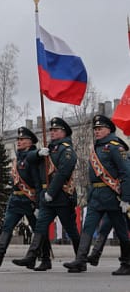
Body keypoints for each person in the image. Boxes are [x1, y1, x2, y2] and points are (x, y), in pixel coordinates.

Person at [63, 115, 130, 275]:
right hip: (95, 195)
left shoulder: (115, 147)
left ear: (109, 130)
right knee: (88, 227)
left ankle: (127, 263)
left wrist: (126, 199)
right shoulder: (96, 148)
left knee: (121, 230)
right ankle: (80, 260)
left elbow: (126, 173)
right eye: (95, 129)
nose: (97, 131)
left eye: (100, 129)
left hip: (112, 196)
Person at [12, 117, 80, 269]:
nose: (52, 133)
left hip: (62, 196)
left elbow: (62, 174)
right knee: (40, 227)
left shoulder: (67, 151)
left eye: (56, 130)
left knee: (71, 230)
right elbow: (28, 159)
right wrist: (38, 154)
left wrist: (50, 192)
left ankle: (80, 259)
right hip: (46, 198)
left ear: (64, 132)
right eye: (51, 130)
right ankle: (32, 257)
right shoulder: (48, 150)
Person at [0, 127, 52, 270]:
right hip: (16, 200)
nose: (19, 142)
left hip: (29, 200)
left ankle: (45, 259)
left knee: (38, 230)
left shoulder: (33, 158)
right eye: (18, 139)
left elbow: (38, 183)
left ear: (30, 142)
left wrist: (38, 204)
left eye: (22, 139)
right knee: (7, 227)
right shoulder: (18, 158)